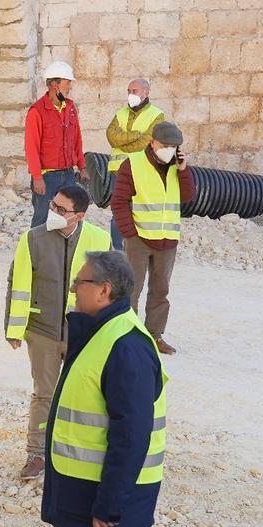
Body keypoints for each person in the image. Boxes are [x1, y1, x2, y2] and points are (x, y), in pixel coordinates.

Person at [41, 250, 167, 527]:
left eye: (79, 283)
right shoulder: (104, 332)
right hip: (96, 492)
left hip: (110, 500)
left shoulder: (126, 344)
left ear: (104, 290)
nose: (74, 289)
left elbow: (131, 436)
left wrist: (109, 506)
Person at [5, 184, 111, 480]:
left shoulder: (99, 240)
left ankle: (80, 454)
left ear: (79, 215)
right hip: (42, 330)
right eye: (53, 205)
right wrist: (15, 329)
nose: (52, 212)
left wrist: (104, 330)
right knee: (44, 395)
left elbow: (108, 290)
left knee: (86, 395)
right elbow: (20, 284)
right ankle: (36, 455)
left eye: (61, 210)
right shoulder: (32, 238)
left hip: (83, 332)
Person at [109, 121, 195, 356]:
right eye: (165, 145)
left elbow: (188, 197)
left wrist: (183, 170)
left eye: (174, 146)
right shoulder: (133, 164)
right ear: (153, 143)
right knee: (131, 289)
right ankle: (127, 335)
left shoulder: (178, 167)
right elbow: (118, 201)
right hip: (139, 238)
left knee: (160, 290)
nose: (169, 149)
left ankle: (155, 335)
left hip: (167, 240)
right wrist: (129, 233)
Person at [25, 61, 88, 228]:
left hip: (67, 174)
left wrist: (82, 167)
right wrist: (37, 177)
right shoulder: (36, 112)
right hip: (46, 177)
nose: (70, 87)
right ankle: (35, 252)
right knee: (42, 219)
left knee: (69, 217)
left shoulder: (70, 107)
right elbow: (31, 147)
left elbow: (77, 139)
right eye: (67, 83)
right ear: (54, 84)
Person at [105, 79, 165, 250]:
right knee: (118, 213)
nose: (131, 94)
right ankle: (118, 250)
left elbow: (146, 143)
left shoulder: (156, 115)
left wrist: (122, 141)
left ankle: (135, 250)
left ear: (146, 92)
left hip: (141, 172)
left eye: (135, 90)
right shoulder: (120, 113)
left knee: (138, 212)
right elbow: (111, 137)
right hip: (118, 173)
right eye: (129, 90)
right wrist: (134, 135)